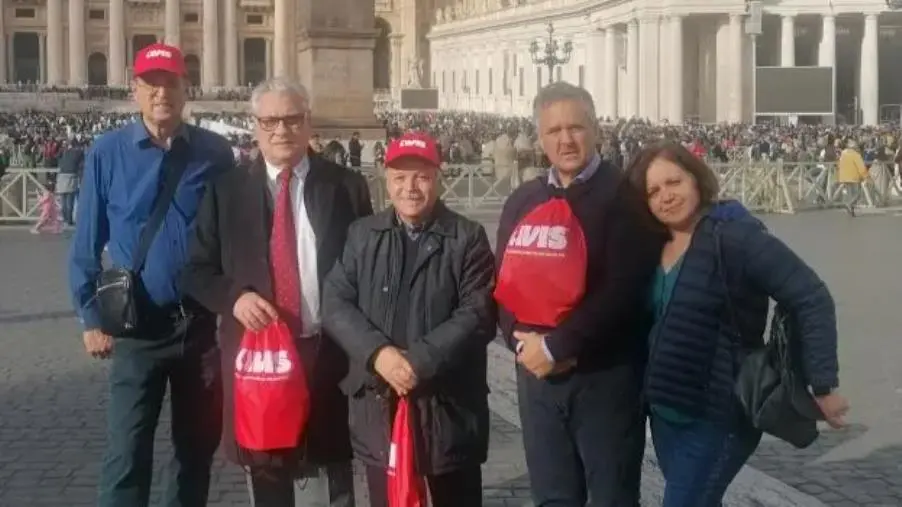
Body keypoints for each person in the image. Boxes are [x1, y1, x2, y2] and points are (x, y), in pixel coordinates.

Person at [623, 142, 849, 507]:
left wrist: (822, 383)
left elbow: (811, 297)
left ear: (696, 179)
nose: (666, 196)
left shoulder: (736, 237)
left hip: (718, 416)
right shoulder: (653, 244)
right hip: (665, 414)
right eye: (653, 191)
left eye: (673, 182)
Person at [182, 76, 373, 507]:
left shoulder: (346, 187)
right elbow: (195, 270)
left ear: (308, 123)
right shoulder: (225, 191)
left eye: (291, 119)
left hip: (327, 354)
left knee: (331, 474)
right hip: (260, 361)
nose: (281, 131)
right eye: (270, 121)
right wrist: (234, 297)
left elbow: (366, 266)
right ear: (255, 126)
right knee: (269, 479)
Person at [68, 43, 234, 507]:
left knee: (195, 452)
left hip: (199, 328)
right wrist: (89, 316)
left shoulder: (215, 152)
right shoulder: (107, 152)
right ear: (134, 90)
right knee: (126, 452)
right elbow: (86, 241)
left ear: (186, 90)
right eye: (152, 84)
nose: (162, 93)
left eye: (171, 83)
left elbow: (233, 232)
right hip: (136, 326)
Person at [494, 82, 660, 507]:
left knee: (612, 497)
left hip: (606, 378)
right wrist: (522, 341)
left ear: (596, 130)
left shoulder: (626, 197)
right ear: (539, 138)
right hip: (537, 379)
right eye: (554, 131)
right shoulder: (523, 199)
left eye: (576, 127)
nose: (565, 140)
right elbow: (503, 283)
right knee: (553, 498)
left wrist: (558, 345)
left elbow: (625, 289)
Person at [322, 131, 496, 507]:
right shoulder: (362, 233)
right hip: (378, 405)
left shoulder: (468, 237)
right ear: (387, 180)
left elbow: (477, 314)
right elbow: (335, 302)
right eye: (401, 177)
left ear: (438, 177)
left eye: (421, 176)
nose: (410, 187)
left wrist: (416, 361)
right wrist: (378, 354)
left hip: (447, 409)